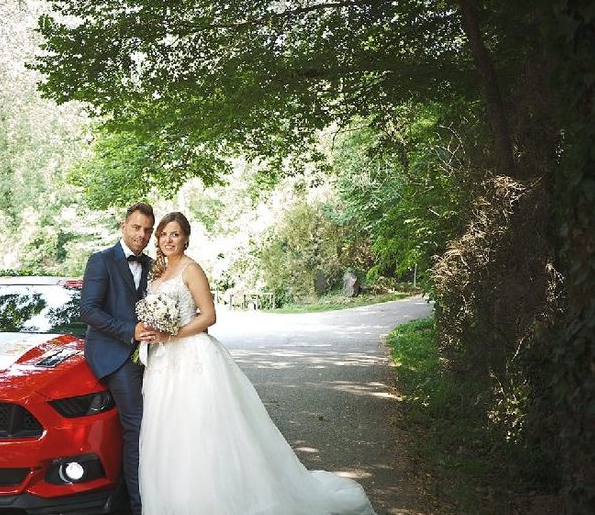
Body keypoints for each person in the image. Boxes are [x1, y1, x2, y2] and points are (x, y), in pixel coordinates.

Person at [138, 212, 377, 515]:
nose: (168, 240)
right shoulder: (157, 274)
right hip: (162, 363)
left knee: (201, 430)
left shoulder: (191, 269)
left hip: (192, 357)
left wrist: (173, 335)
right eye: (163, 234)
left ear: (186, 237)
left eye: (175, 234)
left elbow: (209, 315)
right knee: (168, 434)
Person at [81, 202, 157, 515]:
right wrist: (131, 331)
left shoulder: (154, 265)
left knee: (163, 423)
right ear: (123, 227)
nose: (142, 235)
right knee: (137, 426)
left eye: (148, 230)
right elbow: (89, 311)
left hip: (151, 355)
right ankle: (139, 506)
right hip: (115, 354)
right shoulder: (101, 261)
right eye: (137, 227)